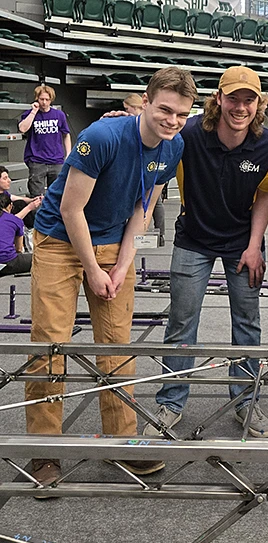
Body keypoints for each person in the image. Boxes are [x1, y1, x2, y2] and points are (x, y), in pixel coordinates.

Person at [26, 67, 196, 489]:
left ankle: (122, 443)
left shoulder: (173, 147)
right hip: (61, 239)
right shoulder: (102, 138)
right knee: (51, 342)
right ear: (146, 100)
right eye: (165, 110)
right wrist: (93, 267)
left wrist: (121, 265)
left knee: (117, 346)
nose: (172, 120)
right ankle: (45, 450)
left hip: (112, 243)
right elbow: (70, 210)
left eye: (181, 114)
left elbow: (143, 206)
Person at [143, 67, 268, 438]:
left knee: (248, 325)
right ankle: (170, 402)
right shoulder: (188, 135)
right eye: (233, 98)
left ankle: (245, 402)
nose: (240, 107)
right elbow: (150, 134)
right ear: (218, 99)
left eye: (248, 100)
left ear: (259, 104)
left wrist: (255, 246)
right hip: (194, 239)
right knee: (181, 323)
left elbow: (266, 195)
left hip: (242, 243)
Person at [122, 94, 167, 246]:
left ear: (136, 107)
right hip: (140, 167)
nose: (126, 112)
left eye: (128, 109)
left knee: (154, 201)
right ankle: (158, 234)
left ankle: (159, 233)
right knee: (151, 202)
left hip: (150, 167)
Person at [18, 85, 71, 198]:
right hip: (36, 160)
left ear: (51, 100)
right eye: (42, 99)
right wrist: (34, 111)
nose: (44, 102)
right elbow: (22, 128)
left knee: (58, 195)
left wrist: (68, 153)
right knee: (37, 196)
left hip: (56, 160)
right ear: (37, 98)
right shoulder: (29, 114)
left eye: (47, 99)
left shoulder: (59, 115)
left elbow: (66, 134)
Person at [0, 192, 41, 276]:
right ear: (10, 206)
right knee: (40, 259)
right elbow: (19, 248)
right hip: (7, 261)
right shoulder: (14, 220)